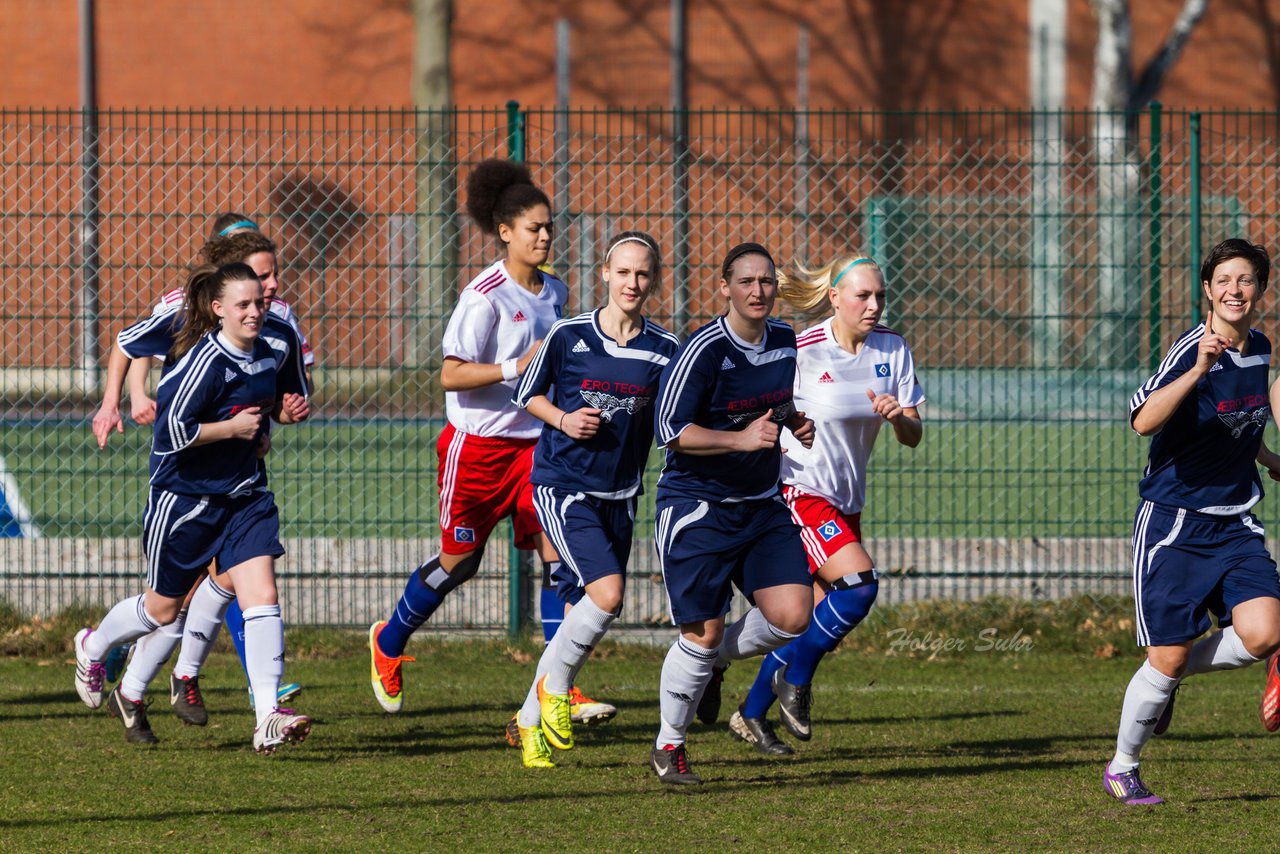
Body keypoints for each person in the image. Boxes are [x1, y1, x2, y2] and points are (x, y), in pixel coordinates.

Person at [74, 263, 313, 753]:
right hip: (185, 501)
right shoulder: (202, 361)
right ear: (218, 309)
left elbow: (268, 411)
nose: (254, 311)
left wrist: (268, 428)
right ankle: (93, 646)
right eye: (243, 304)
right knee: (162, 610)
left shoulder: (272, 348)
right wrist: (233, 431)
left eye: (260, 303)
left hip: (244, 495)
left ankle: (267, 714)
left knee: (262, 591)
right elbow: (171, 435)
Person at [367, 159, 569, 713]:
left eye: (549, 226)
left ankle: (558, 684)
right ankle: (389, 641)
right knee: (462, 562)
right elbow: (451, 375)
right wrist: (514, 366)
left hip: (535, 446)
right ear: (505, 232)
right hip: (477, 450)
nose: (546, 236)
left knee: (558, 553)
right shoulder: (485, 296)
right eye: (535, 228)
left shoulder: (556, 292)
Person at [1104, 238, 1280, 805]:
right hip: (1174, 524)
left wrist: (1273, 461)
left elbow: (1239, 423)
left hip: (1235, 522)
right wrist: (1198, 369)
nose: (1235, 290)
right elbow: (1142, 422)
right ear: (1207, 289)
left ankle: (1169, 673)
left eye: (1246, 280)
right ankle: (1123, 766)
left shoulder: (1261, 349)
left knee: (1265, 633)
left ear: (1260, 290)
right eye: (1224, 280)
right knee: (1169, 656)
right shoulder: (1190, 350)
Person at [728, 253, 923, 754]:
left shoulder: (892, 349)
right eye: (863, 295)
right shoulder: (803, 349)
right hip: (800, 491)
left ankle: (747, 709)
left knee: (813, 619)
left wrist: (899, 415)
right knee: (858, 587)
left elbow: (913, 435)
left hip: (846, 499)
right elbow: (761, 404)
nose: (874, 305)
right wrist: (788, 421)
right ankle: (796, 682)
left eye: (880, 295)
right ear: (834, 297)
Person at [506, 230, 679, 768]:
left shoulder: (665, 350)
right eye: (623, 272)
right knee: (607, 595)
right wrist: (562, 418)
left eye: (643, 273)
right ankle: (556, 693)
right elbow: (524, 392)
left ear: (653, 280)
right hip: (563, 486)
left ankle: (528, 721)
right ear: (604, 274)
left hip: (621, 493)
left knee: (593, 604)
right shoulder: (568, 334)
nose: (633, 282)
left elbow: (676, 418)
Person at [648, 242, 816, 786]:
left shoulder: (786, 340)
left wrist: (794, 421)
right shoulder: (703, 348)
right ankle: (668, 748)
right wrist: (739, 440)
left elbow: (776, 401)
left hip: (760, 505)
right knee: (700, 630)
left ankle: (715, 660)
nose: (758, 291)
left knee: (794, 614)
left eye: (766, 281)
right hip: (698, 506)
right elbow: (670, 431)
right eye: (746, 281)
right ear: (725, 287)